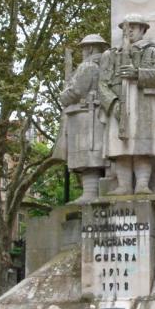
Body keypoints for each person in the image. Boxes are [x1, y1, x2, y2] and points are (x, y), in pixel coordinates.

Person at [99, 14, 155, 194]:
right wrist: (113, 104)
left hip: (144, 106)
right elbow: (102, 83)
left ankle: (142, 184)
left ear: (143, 30)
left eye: (134, 27)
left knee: (142, 146)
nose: (129, 31)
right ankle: (123, 185)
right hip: (117, 103)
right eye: (126, 28)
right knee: (119, 148)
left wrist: (137, 73)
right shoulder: (111, 55)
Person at [52, 34, 108, 203]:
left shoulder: (88, 66)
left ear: (90, 48)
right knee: (90, 154)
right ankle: (92, 192)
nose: (82, 52)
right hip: (91, 114)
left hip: (86, 116)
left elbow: (77, 90)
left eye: (84, 48)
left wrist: (63, 96)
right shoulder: (102, 65)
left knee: (88, 155)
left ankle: (90, 193)